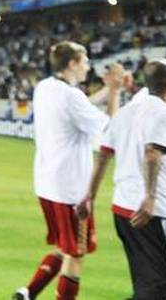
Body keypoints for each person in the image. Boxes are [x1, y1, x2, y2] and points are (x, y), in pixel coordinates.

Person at [13, 42, 123, 300]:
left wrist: (107, 90)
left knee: (65, 246)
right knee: (76, 253)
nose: (88, 67)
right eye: (84, 61)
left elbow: (80, 104)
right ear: (72, 64)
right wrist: (115, 93)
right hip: (71, 190)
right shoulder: (70, 96)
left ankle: (28, 292)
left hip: (47, 183)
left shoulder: (46, 87)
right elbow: (110, 130)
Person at [81, 59, 166, 300]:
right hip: (152, 212)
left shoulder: (126, 112)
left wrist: (89, 196)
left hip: (122, 209)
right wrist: (150, 197)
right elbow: (152, 152)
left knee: (146, 282)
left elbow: (103, 155)